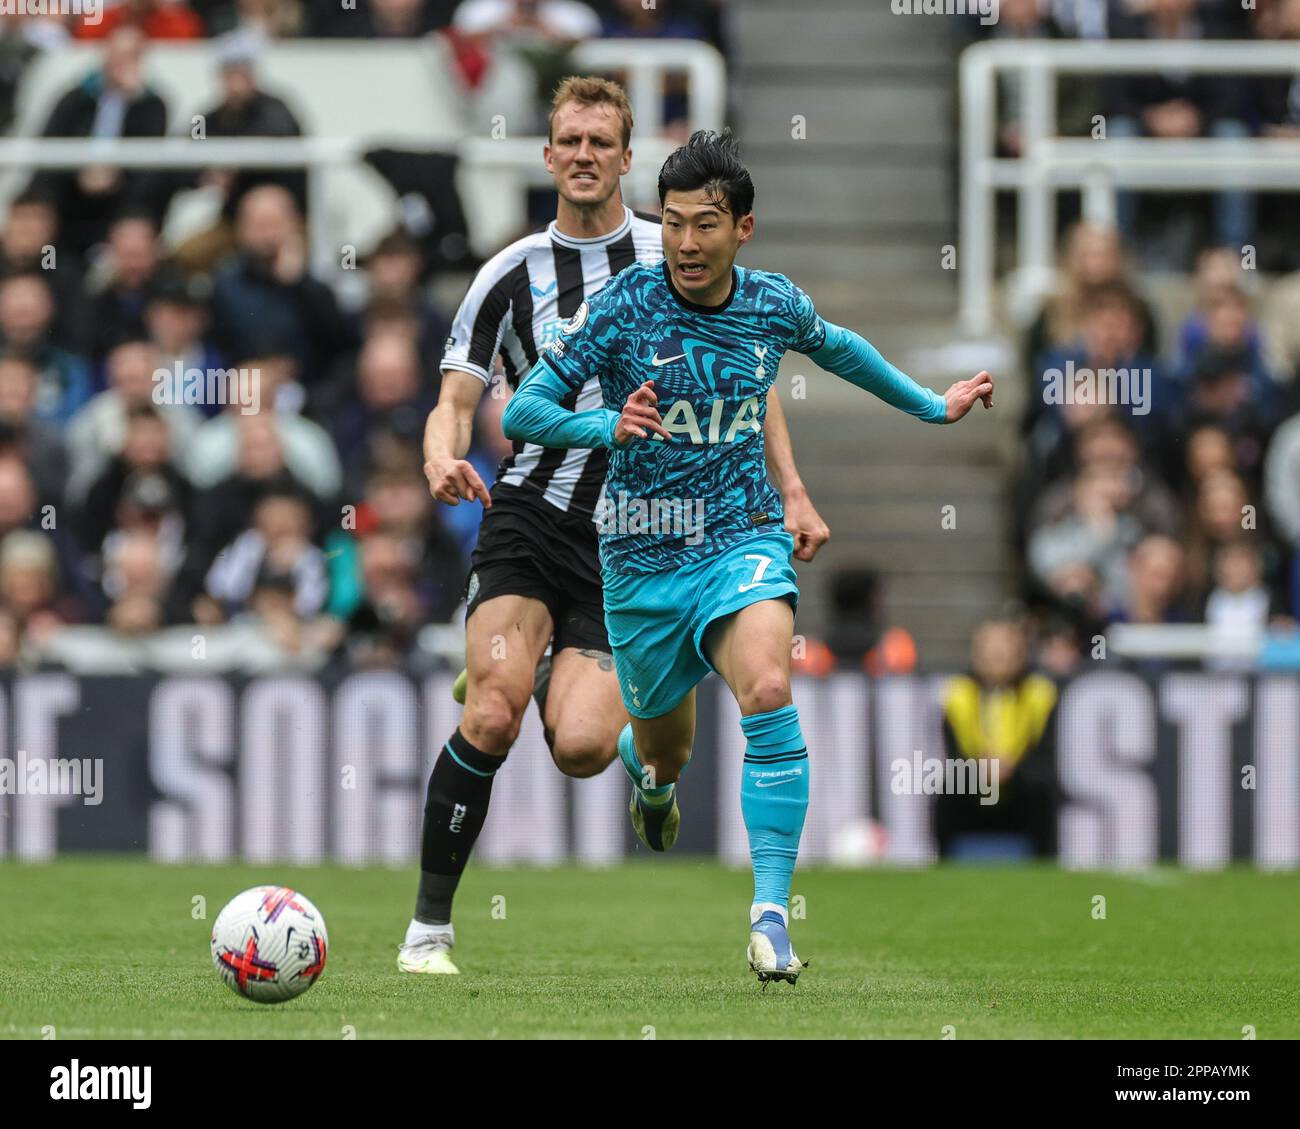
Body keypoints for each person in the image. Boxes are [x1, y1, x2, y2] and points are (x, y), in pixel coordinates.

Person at [502, 129, 994, 983]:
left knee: (769, 685)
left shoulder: (770, 303)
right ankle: (647, 777)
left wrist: (930, 405)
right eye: (677, 222)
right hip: (641, 562)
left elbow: (839, 347)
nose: (688, 242)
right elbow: (525, 411)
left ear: (744, 229)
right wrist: (605, 425)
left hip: (743, 536)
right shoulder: (624, 306)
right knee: (665, 750)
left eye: (707, 225)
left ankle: (771, 913)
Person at [398, 78, 829, 977]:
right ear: (548, 156)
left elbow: (747, 379)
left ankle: (644, 760)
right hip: (532, 515)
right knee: (491, 710)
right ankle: (428, 930)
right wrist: (440, 456)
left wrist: (790, 488)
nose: (585, 154)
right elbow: (456, 398)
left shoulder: (678, 246)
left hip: (643, 538)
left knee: (587, 747)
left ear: (628, 159)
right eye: (570, 140)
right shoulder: (507, 273)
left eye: (603, 141)